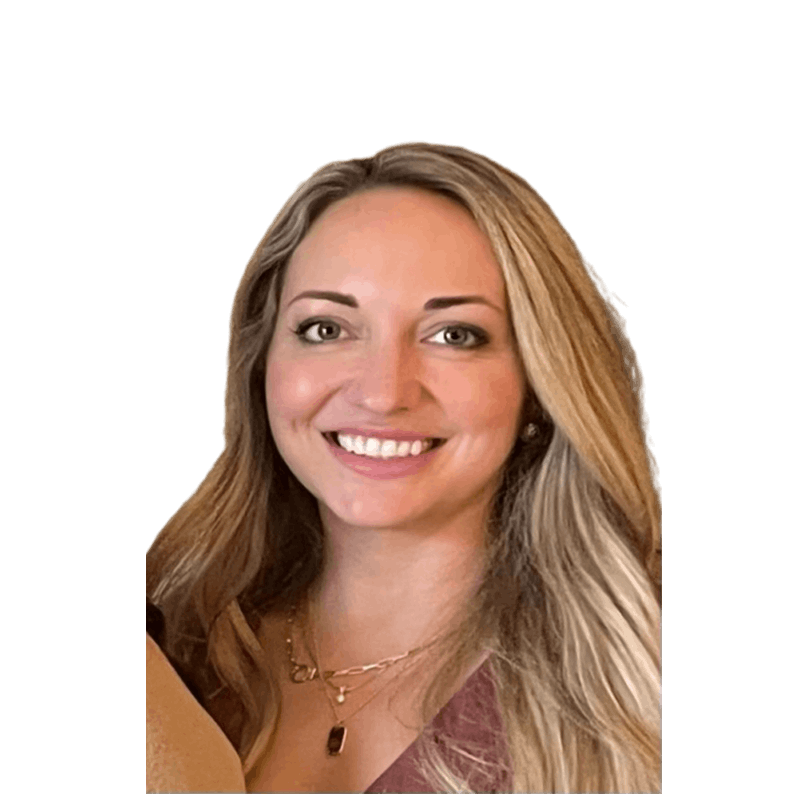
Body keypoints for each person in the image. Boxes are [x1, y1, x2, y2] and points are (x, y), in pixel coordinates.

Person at [146, 141, 662, 793]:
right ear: (262, 364)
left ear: (539, 385)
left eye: (455, 335)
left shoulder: (646, 688)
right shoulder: (173, 647)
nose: (384, 391)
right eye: (327, 329)